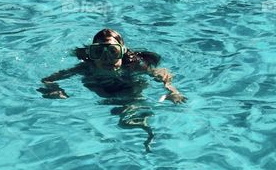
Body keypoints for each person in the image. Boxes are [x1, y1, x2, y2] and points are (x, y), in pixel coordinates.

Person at [39, 28, 185, 150]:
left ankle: (139, 119)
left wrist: (172, 91)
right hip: (102, 91)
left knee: (127, 111)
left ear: (123, 52)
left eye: (113, 51)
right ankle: (140, 121)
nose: (106, 58)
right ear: (91, 55)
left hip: (130, 88)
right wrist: (54, 88)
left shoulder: (134, 65)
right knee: (118, 110)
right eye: (98, 52)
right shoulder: (85, 68)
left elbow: (163, 74)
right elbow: (47, 79)